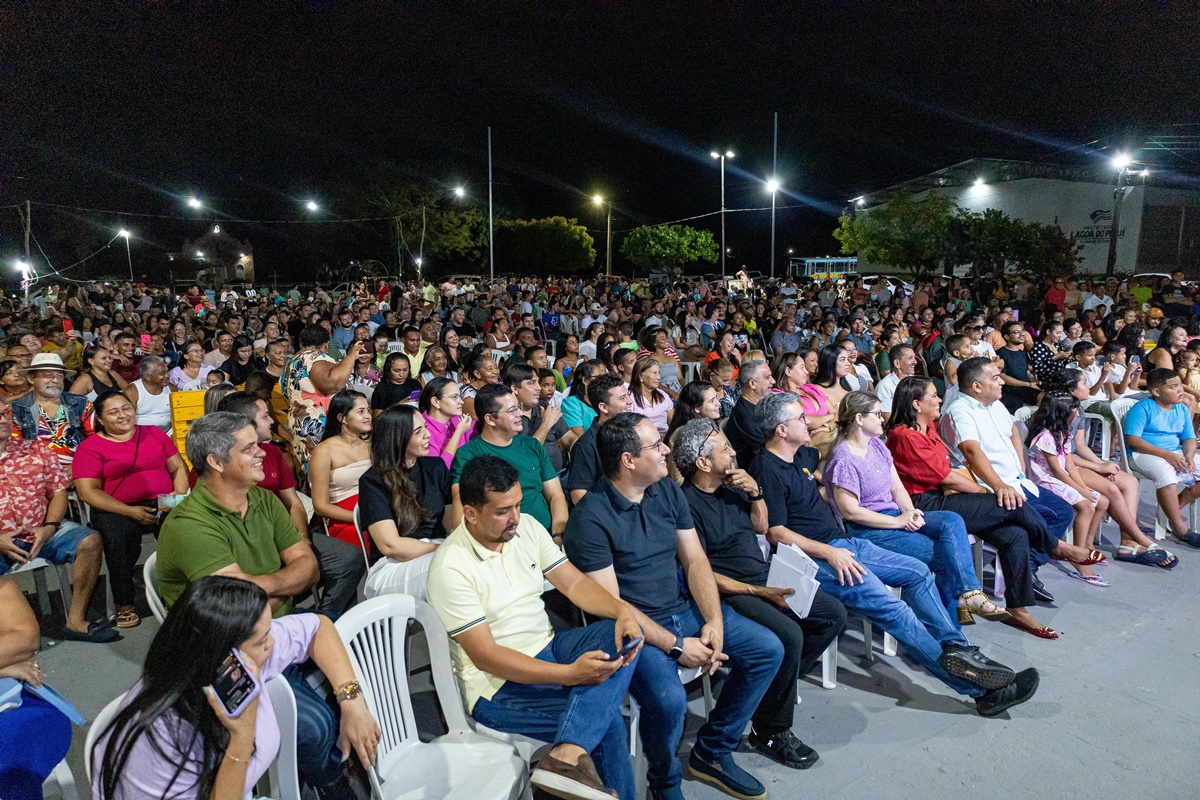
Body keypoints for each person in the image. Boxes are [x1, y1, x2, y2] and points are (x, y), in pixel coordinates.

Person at [752, 392, 1039, 716]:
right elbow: (775, 532)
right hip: (814, 559)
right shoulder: (765, 468)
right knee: (896, 611)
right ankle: (982, 692)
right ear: (781, 430)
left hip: (844, 543)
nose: (809, 422)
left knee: (918, 572)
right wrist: (830, 552)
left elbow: (827, 469)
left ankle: (957, 648)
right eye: (801, 418)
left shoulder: (803, 455)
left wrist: (825, 486)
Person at [564, 413, 784, 800]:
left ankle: (712, 751)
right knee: (669, 701)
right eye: (656, 445)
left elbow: (695, 560)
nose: (667, 450)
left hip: (684, 609)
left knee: (768, 650)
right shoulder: (591, 518)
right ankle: (664, 783)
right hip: (637, 630)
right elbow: (614, 607)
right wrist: (677, 646)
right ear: (628, 460)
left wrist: (713, 620)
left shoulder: (665, 490)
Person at [427, 456, 645, 800]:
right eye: (502, 511)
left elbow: (573, 583)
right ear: (470, 513)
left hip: (547, 647)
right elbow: (486, 656)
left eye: (517, 504)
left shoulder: (526, 527)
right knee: (606, 726)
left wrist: (622, 611)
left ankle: (565, 755)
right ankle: (570, 756)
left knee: (625, 631)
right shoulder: (450, 567)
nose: (515, 517)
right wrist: (569, 675)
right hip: (495, 686)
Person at [92, 576, 380, 800]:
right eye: (263, 640)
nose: (273, 643)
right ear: (223, 657)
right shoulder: (156, 739)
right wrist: (241, 737)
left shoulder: (233, 663)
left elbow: (318, 627)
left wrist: (351, 701)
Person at [675, 419, 845, 769]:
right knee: (790, 635)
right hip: (733, 590)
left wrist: (755, 493)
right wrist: (759, 591)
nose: (733, 451)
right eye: (724, 448)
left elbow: (761, 526)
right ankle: (770, 730)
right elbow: (700, 573)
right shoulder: (687, 504)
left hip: (763, 576)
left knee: (832, 614)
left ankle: (771, 690)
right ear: (703, 463)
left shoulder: (733, 486)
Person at [885, 377, 1102, 637]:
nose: (940, 399)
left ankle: (1018, 609)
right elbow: (946, 476)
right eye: (934, 395)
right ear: (916, 404)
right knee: (1012, 503)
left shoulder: (927, 427)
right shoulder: (904, 436)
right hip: (924, 503)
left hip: (948, 496)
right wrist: (987, 491)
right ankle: (1055, 546)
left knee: (1015, 534)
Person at [824, 390, 1009, 622]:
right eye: (877, 414)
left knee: (952, 519)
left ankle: (969, 595)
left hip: (895, 514)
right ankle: (950, 625)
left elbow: (898, 489)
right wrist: (897, 521)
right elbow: (850, 511)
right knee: (947, 557)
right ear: (859, 419)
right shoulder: (843, 459)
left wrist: (910, 512)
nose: (882, 418)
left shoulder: (877, 445)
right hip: (869, 529)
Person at [217, 392, 366, 619]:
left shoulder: (273, 453)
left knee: (349, 559)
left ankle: (327, 618)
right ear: (245, 423)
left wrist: (301, 538)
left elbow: (293, 502)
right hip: (250, 542)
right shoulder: (222, 465)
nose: (272, 421)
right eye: (265, 416)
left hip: (285, 534)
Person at [940, 357, 1077, 590]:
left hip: (1017, 481)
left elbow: (1013, 429)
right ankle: (1024, 570)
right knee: (1035, 519)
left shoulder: (995, 405)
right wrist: (999, 485)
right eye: (995, 378)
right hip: (990, 488)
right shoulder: (960, 412)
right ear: (977, 386)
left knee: (1062, 511)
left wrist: (1021, 465)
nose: (1001, 382)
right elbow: (971, 451)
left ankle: (1028, 566)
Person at [0, 397, 118, 642]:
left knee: (89, 541)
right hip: (2, 539)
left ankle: (76, 621)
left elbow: (58, 492)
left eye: (5, 414)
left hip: (42, 530)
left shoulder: (35, 449)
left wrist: (49, 527)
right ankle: (12, 638)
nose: (3, 420)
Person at [74, 391, 189, 629]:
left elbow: (178, 467)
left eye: (126, 408)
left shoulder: (154, 434)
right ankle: (124, 602)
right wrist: (129, 511)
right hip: (116, 508)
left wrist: (177, 497)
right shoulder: (90, 447)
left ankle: (183, 594)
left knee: (187, 531)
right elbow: (88, 492)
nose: (122, 415)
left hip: (162, 502)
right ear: (101, 419)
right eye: (113, 412)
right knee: (118, 539)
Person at [357, 405, 451, 599]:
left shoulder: (435, 467)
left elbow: (451, 525)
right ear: (397, 438)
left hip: (438, 551)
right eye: (418, 432)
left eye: (425, 427)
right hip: (392, 565)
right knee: (449, 567)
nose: (427, 435)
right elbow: (391, 546)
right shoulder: (373, 481)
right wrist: (441, 550)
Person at [451, 383, 568, 536]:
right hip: (500, 538)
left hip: (545, 534)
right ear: (490, 419)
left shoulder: (532, 446)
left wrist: (558, 536)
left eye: (518, 407)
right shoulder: (468, 454)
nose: (520, 413)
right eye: (512, 410)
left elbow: (556, 495)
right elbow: (460, 504)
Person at [1025, 393, 1112, 587]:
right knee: (1086, 506)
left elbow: (1069, 465)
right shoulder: (1045, 437)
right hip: (1045, 481)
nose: (1077, 413)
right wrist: (1080, 490)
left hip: (1060, 478)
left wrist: (1083, 487)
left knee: (1102, 501)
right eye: (1074, 410)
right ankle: (1078, 560)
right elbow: (1056, 470)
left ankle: (1087, 544)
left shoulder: (1063, 433)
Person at [0, 577, 73, 800]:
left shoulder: (3, 587)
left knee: (15, 747)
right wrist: (4, 667)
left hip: (18, 705)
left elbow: (26, 638)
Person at [1122, 368, 1200, 548]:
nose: (1180, 390)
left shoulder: (1181, 408)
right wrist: (1167, 455)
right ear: (1156, 391)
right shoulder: (1142, 408)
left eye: (1180, 385)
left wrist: (1189, 455)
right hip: (1142, 454)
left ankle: (1173, 509)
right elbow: (1133, 440)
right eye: (1173, 387)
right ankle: (1179, 528)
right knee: (1166, 475)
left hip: (1175, 453)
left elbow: (1189, 438)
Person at [281, 324, 365, 465]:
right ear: (326, 344)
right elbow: (332, 383)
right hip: (319, 426)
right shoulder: (316, 357)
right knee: (324, 470)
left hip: (300, 425)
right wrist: (351, 356)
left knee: (309, 471)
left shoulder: (291, 362)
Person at [11, 353, 95, 477]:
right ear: (31, 378)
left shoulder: (81, 403)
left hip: (80, 472)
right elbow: (13, 448)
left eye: (59, 376)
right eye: (48, 375)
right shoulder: (16, 409)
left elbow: (95, 440)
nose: (55, 380)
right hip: (34, 475)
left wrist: (78, 466)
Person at [310, 390, 373, 551]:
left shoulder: (374, 443)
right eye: (361, 411)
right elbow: (320, 506)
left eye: (368, 410)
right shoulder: (324, 451)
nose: (368, 416)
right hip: (345, 518)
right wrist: (359, 517)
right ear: (342, 418)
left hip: (375, 506)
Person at [566, 374, 632, 505]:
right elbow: (578, 494)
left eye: (628, 395)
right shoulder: (586, 445)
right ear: (603, 407)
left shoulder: (633, 433)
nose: (629, 401)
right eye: (622, 398)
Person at [506, 363, 572, 473]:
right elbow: (526, 456)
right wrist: (546, 425)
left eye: (537, 382)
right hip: (532, 478)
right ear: (515, 389)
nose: (538, 388)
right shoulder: (508, 417)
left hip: (562, 474)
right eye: (532, 383)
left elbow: (570, 439)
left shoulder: (544, 407)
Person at [723, 359, 774, 468]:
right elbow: (767, 449)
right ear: (752, 384)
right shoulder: (744, 415)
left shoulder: (760, 407)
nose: (773, 381)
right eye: (767, 377)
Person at [419, 376, 476, 468]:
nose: (461, 402)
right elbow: (439, 469)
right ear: (435, 401)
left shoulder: (457, 419)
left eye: (460, 396)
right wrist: (458, 433)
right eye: (454, 397)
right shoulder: (422, 429)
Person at [995, 321, 1040, 412]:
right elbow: (1003, 377)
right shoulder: (1001, 353)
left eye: (1022, 331)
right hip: (1011, 389)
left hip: (1025, 387)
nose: (1022, 334)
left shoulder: (1021, 353)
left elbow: (1027, 372)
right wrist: (1029, 384)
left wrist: (1035, 381)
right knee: (1043, 397)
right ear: (1007, 337)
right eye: (1016, 332)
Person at [122, 356, 172, 433]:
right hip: (141, 435)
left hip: (167, 434)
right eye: (162, 373)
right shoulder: (133, 391)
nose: (167, 376)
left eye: (167, 372)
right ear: (147, 376)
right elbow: (127, 419)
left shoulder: (172, 389)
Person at [629, 357, 674, 436]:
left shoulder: (663, 395)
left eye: (659, 373)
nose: (659, 377)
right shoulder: (629, 398)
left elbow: (673, 422)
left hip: (664, 438)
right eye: (654, 373)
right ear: (640, 376)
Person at [561, 360, 606, 437]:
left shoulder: (604, 400)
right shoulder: (571, 404)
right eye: (598, 377)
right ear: (585, 380)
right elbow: (579, 437)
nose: (603, 381)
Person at [874, 343, 917, 422]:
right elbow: (887, 419)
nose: (915, 362)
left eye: (914, 357)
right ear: (897, 363)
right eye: (910, 358)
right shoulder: (884, 386)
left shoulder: (915, 381)